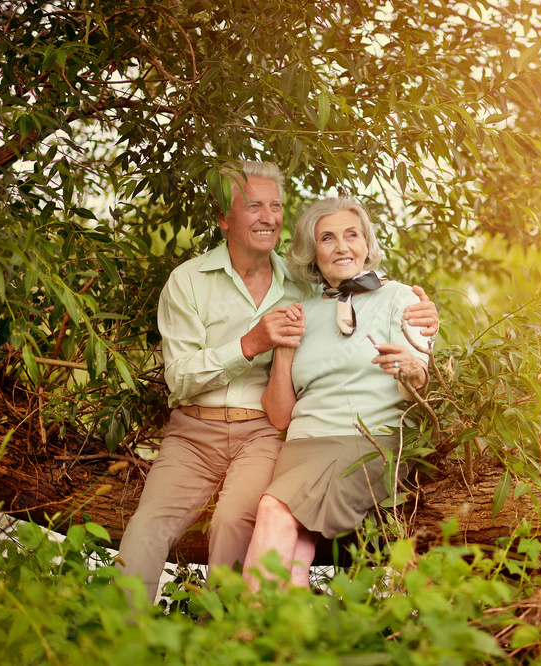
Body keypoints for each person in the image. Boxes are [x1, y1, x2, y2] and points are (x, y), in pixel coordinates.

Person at [115, 163, 439, 603]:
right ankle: (125, 629)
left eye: (275, 206)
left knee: (237, 522)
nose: (268, 217)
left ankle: (227, 628)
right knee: (148, 527)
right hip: (211, 431)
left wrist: (420, 346)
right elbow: (183, 380)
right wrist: (256, 344)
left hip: (268, 435)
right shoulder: (202, 284)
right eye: (254, 206)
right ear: (223, 217)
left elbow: (405, 348)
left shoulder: (322, 289)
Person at [242, 195, 431, 590]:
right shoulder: (302, 312)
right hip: (302, 446)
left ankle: (247, 621)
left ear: (366, 244)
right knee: (295, 551)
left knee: (274, 509)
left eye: (352, 235)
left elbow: (417, 384)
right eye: (327, 238)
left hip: (368, 440)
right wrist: (284, 350)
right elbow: (279, 416)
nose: (342, 246)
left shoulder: (401, 298)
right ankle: (287, 626)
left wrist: (413, 370)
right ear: (313, 253)